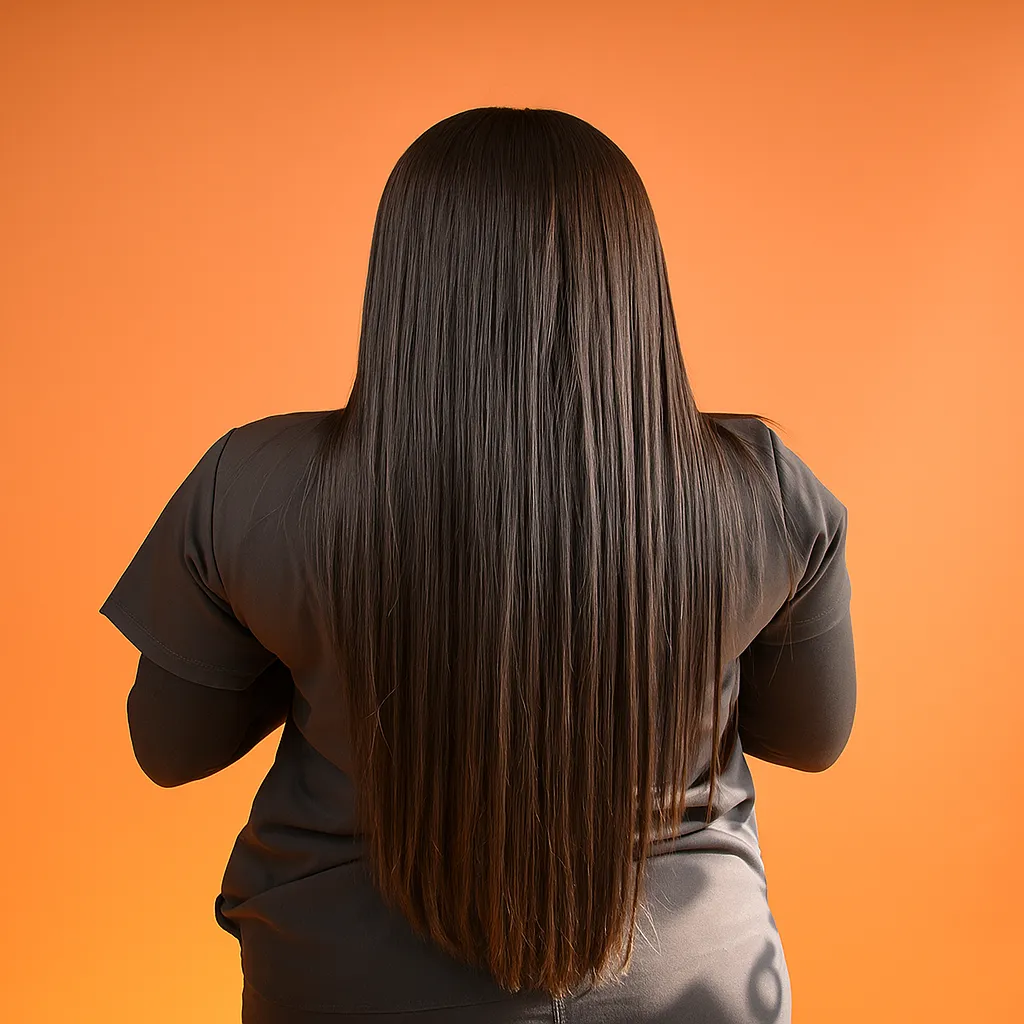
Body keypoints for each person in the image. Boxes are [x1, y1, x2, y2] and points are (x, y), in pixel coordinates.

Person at [100, 106, 856, 1024]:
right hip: (692, 991)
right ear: (631, 283)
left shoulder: (250, 487)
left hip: (346, 990)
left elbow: (170, 748)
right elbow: (813, 738)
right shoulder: (762, 489)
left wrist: (320, 649)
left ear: (407, 280)